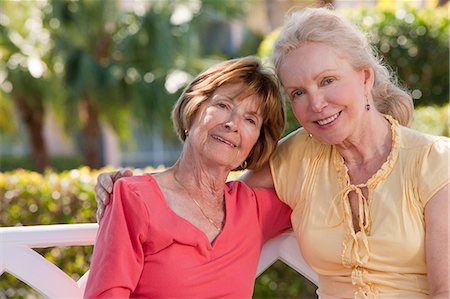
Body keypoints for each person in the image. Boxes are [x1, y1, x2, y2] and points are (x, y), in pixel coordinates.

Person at [95, 7, 449, 299]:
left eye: (327, 80)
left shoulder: (434, 160)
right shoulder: (298, 157)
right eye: (297, 93)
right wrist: (125, 193)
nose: (316, 104)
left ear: (365, 78)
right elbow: (211, 195)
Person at [84, 56, 292, 298]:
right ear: (193, 108)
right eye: (223, 105)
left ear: (257, 141)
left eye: (250, 120)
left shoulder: (254, 209)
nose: (233, 124)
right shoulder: (133, 197)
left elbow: (315, 170)